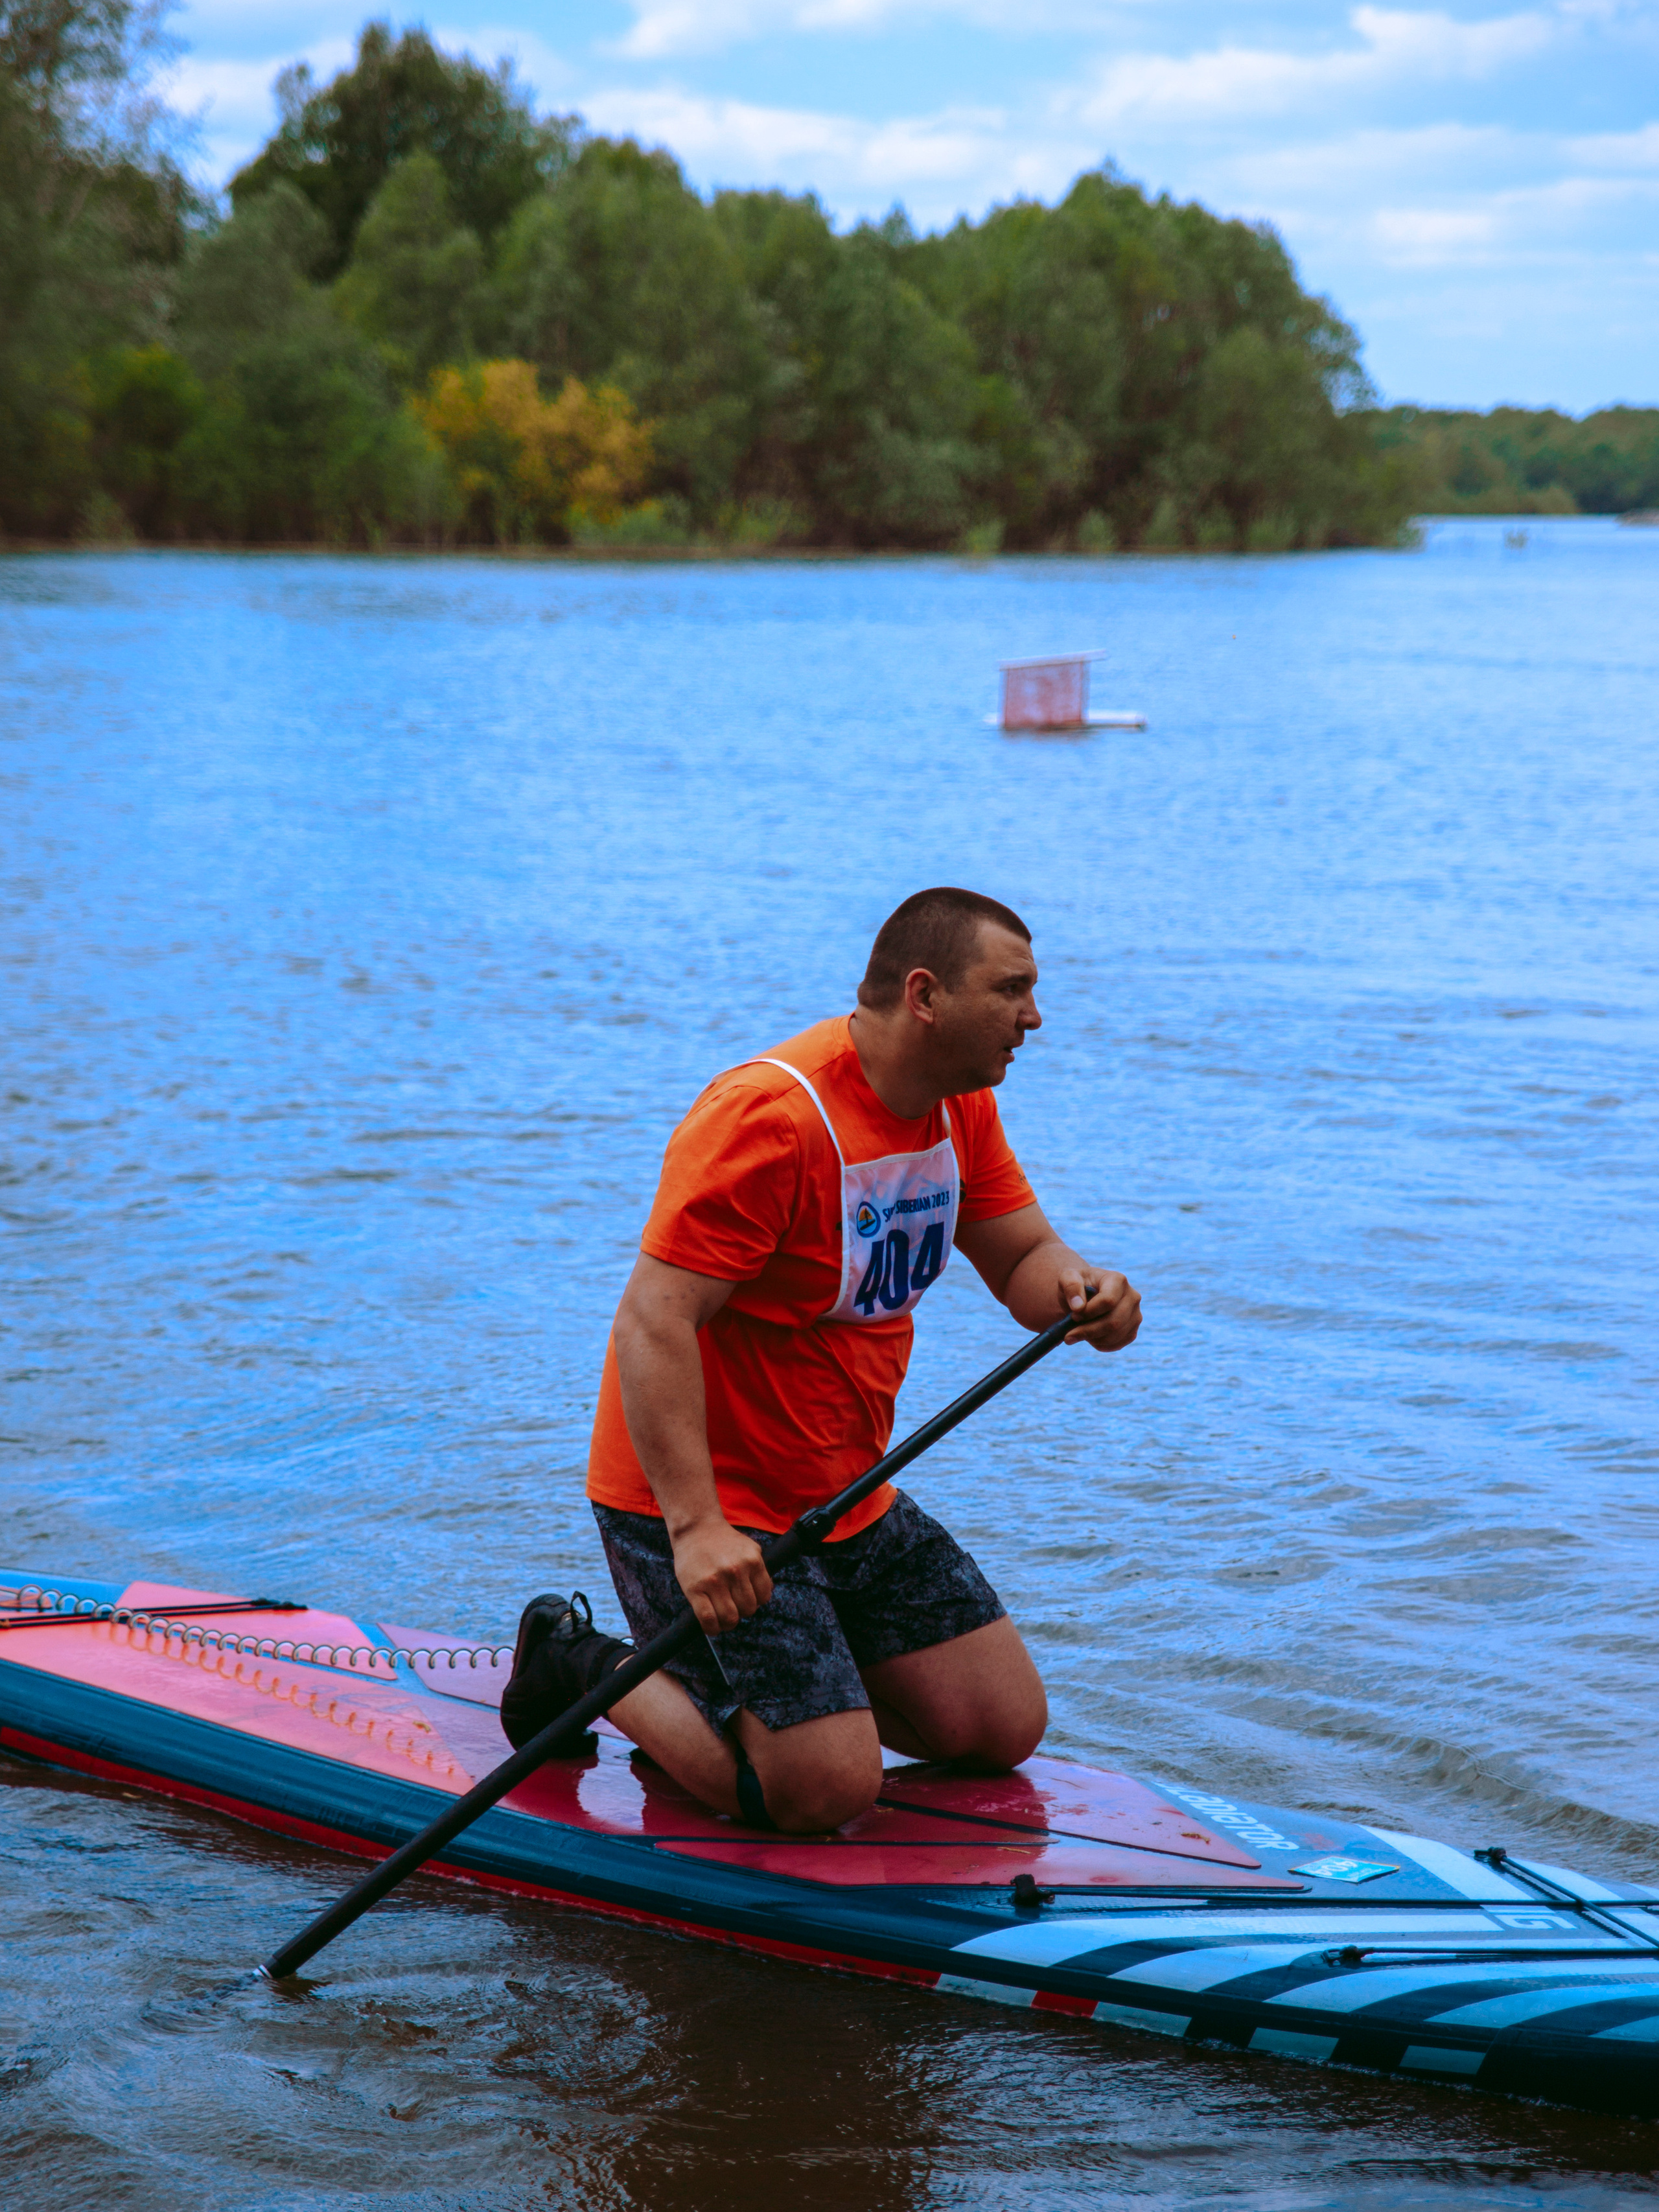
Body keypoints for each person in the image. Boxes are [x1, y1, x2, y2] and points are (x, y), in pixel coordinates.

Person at [502, 887, 1141, 1833]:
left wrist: (1088, 1293)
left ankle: (784, 1695)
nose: (1033, 1017)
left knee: (1001, 1726)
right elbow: (651, 1324)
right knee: (819, 1792)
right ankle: (576, 1657)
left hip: (845, 1495)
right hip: (705, 1506)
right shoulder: (769, 1119)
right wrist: (696, 1530)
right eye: (1012, 990)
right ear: (925, 995)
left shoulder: (955, 1110)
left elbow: (1019, 1261)